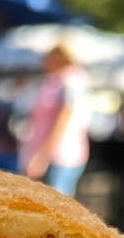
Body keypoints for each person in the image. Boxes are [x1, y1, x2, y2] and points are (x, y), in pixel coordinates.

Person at [19, 44, 90, 196]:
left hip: (61, 156)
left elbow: (63, 120)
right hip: (50, 155)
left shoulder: (71, 79)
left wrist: (43, 156)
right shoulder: (55, 79)